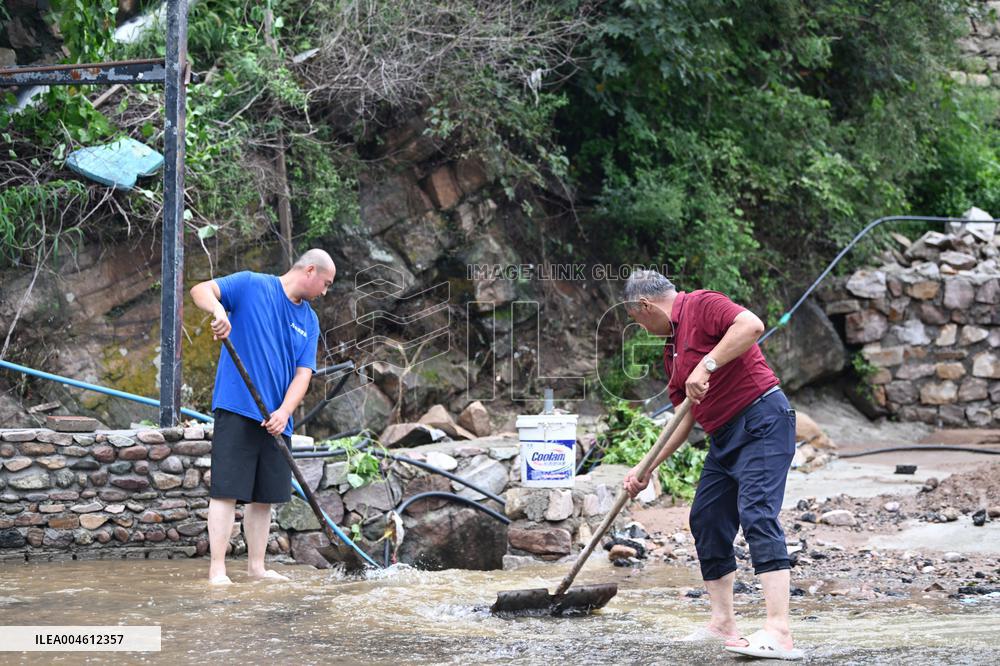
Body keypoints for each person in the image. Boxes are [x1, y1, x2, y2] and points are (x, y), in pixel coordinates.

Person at [621, 269, 803, 661]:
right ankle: (723, 623)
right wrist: (644, 466)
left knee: (756, 513)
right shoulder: (670, 352)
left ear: (645, 306)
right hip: (724, 438)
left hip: (762, 421)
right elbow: (682, 420)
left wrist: (707, 364)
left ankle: (779, 631)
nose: (639, 326)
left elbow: (751, 325)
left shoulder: (701, 304)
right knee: (706, 518)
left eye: (636, 319)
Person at [190, 249, 336, 585]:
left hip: (277, 420)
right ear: (310, 271)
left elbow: (304, 374)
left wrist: (285, 412)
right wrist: (218, 311)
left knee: (263, 498)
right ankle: (218, 570)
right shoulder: (251, 284)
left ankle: (256, 567)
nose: (324, 292)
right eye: (325, 284)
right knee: (226, 491)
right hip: (238, 406)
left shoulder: (309, 320)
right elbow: (202, 290)